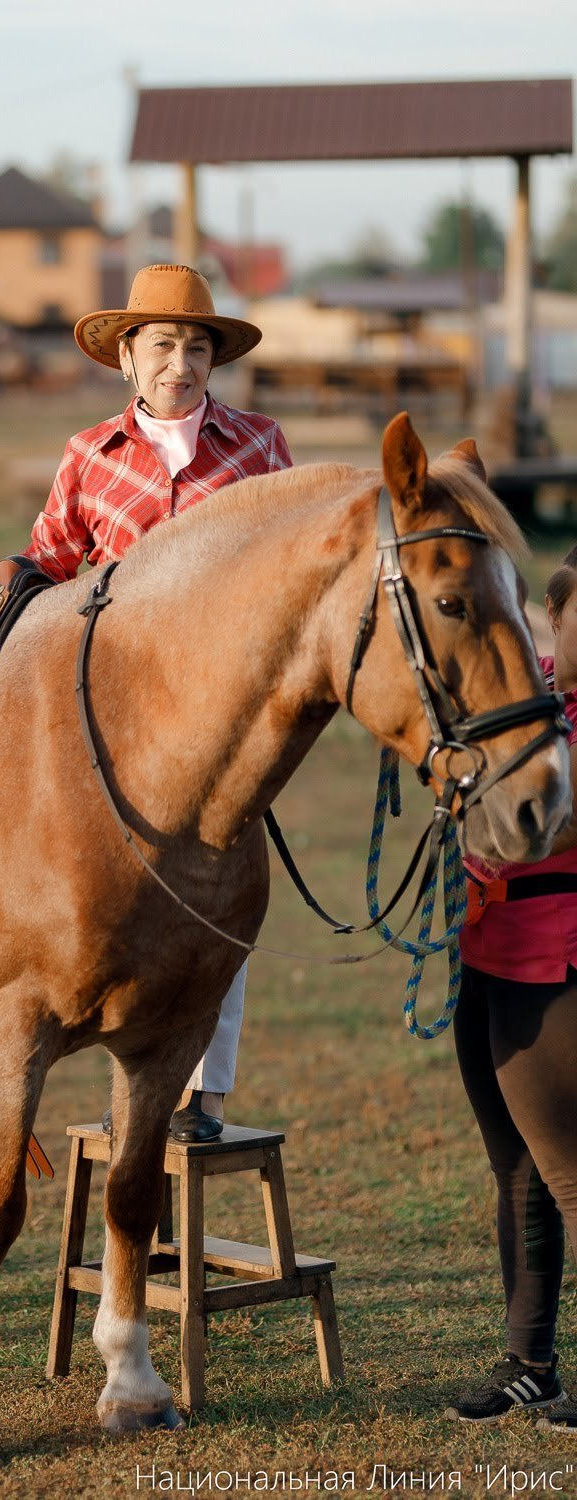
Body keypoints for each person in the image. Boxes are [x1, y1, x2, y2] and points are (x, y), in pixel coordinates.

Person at [23, 263, 293, 1143]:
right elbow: (52, 568)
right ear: (129, 359)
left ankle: (205, 1096)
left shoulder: (258, 447)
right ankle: (136, 1087)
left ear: (216, 360)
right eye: (164, 345)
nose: (181, 362)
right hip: (110, 718)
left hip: (222, 719)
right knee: (117, 905)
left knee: (221, 891)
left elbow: (288, 571)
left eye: (198, 346)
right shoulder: (87, 458)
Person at [446, 543, 577, 1428]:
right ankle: (532, 1364)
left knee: (570, 1178)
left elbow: (548, 823)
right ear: (554, 625)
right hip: (488, 961)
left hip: (553, 969)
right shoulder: (529, 699)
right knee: (518, 1173)